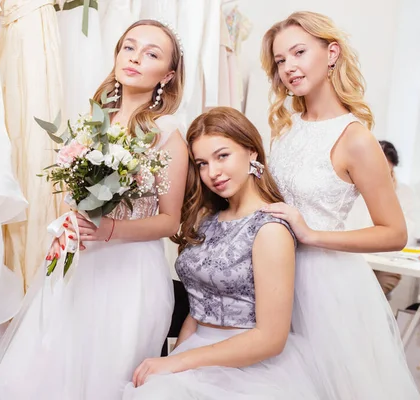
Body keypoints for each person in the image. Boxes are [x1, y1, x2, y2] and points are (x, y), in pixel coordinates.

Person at [0, 19, 188, 400]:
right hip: (78, 261)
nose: (136, 57)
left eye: (151, 53)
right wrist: (73, 222)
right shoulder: (94, 121)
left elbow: (170, 220)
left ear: (167, 76)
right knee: (40, 370)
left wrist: (110, 229)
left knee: (101, 376)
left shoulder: (167, 132)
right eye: (129, 47)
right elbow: (74, 194)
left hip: (129, 273)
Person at [261, 11, 420, 398]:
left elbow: (394, 233)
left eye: (298, 52)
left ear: (331, 52)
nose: (289, 68)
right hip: (273, 276)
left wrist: (312, 235)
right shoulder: (285, 128)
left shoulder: (356, 138)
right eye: (280, 61)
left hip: (324, 288)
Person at [123, 107, 320, 399]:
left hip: (249, 366)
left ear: (252, 152)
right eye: (202, 163)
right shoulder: (207, 219)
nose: (212, 173)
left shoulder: (269, 228)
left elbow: (270, 339)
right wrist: (172, 362)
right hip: (196, 350)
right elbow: (198, 306)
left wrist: (178, 362)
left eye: (222, 156)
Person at [347, 140, 420, 295]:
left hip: (387, 263)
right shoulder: (353, 188)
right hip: (355, 259)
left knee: (374, 292)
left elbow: (409, 234)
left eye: (387, 171)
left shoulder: (405, 193)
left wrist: (390, 196)